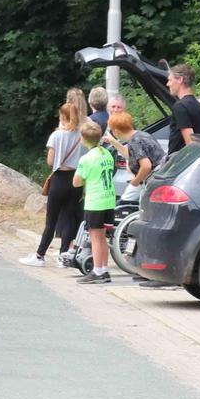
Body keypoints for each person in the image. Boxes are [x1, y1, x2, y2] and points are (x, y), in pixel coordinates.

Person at [23, 99, 85, 267]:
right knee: (69, 218)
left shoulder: (56, 135)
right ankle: (63, 256)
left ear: (62, 117)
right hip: (76, 179)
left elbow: (51, 161)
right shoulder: (81, 135)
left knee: (51, 220)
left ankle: (40, 255)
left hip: (59, 179)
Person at [73, 121, 117, 283]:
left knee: (95, 237)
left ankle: (98, 271)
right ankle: (104, 269)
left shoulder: (86, 159)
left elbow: (76, 182)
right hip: (109, 199)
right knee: (102, 237)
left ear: (83, 139)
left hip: (95, 201)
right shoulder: (106, 153)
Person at [165, 64, 200, 154]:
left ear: (180, 79)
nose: (168, 84)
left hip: (182, 162)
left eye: (170, 80)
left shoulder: (180, 106)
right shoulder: (199, 105)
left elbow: (191, 144)